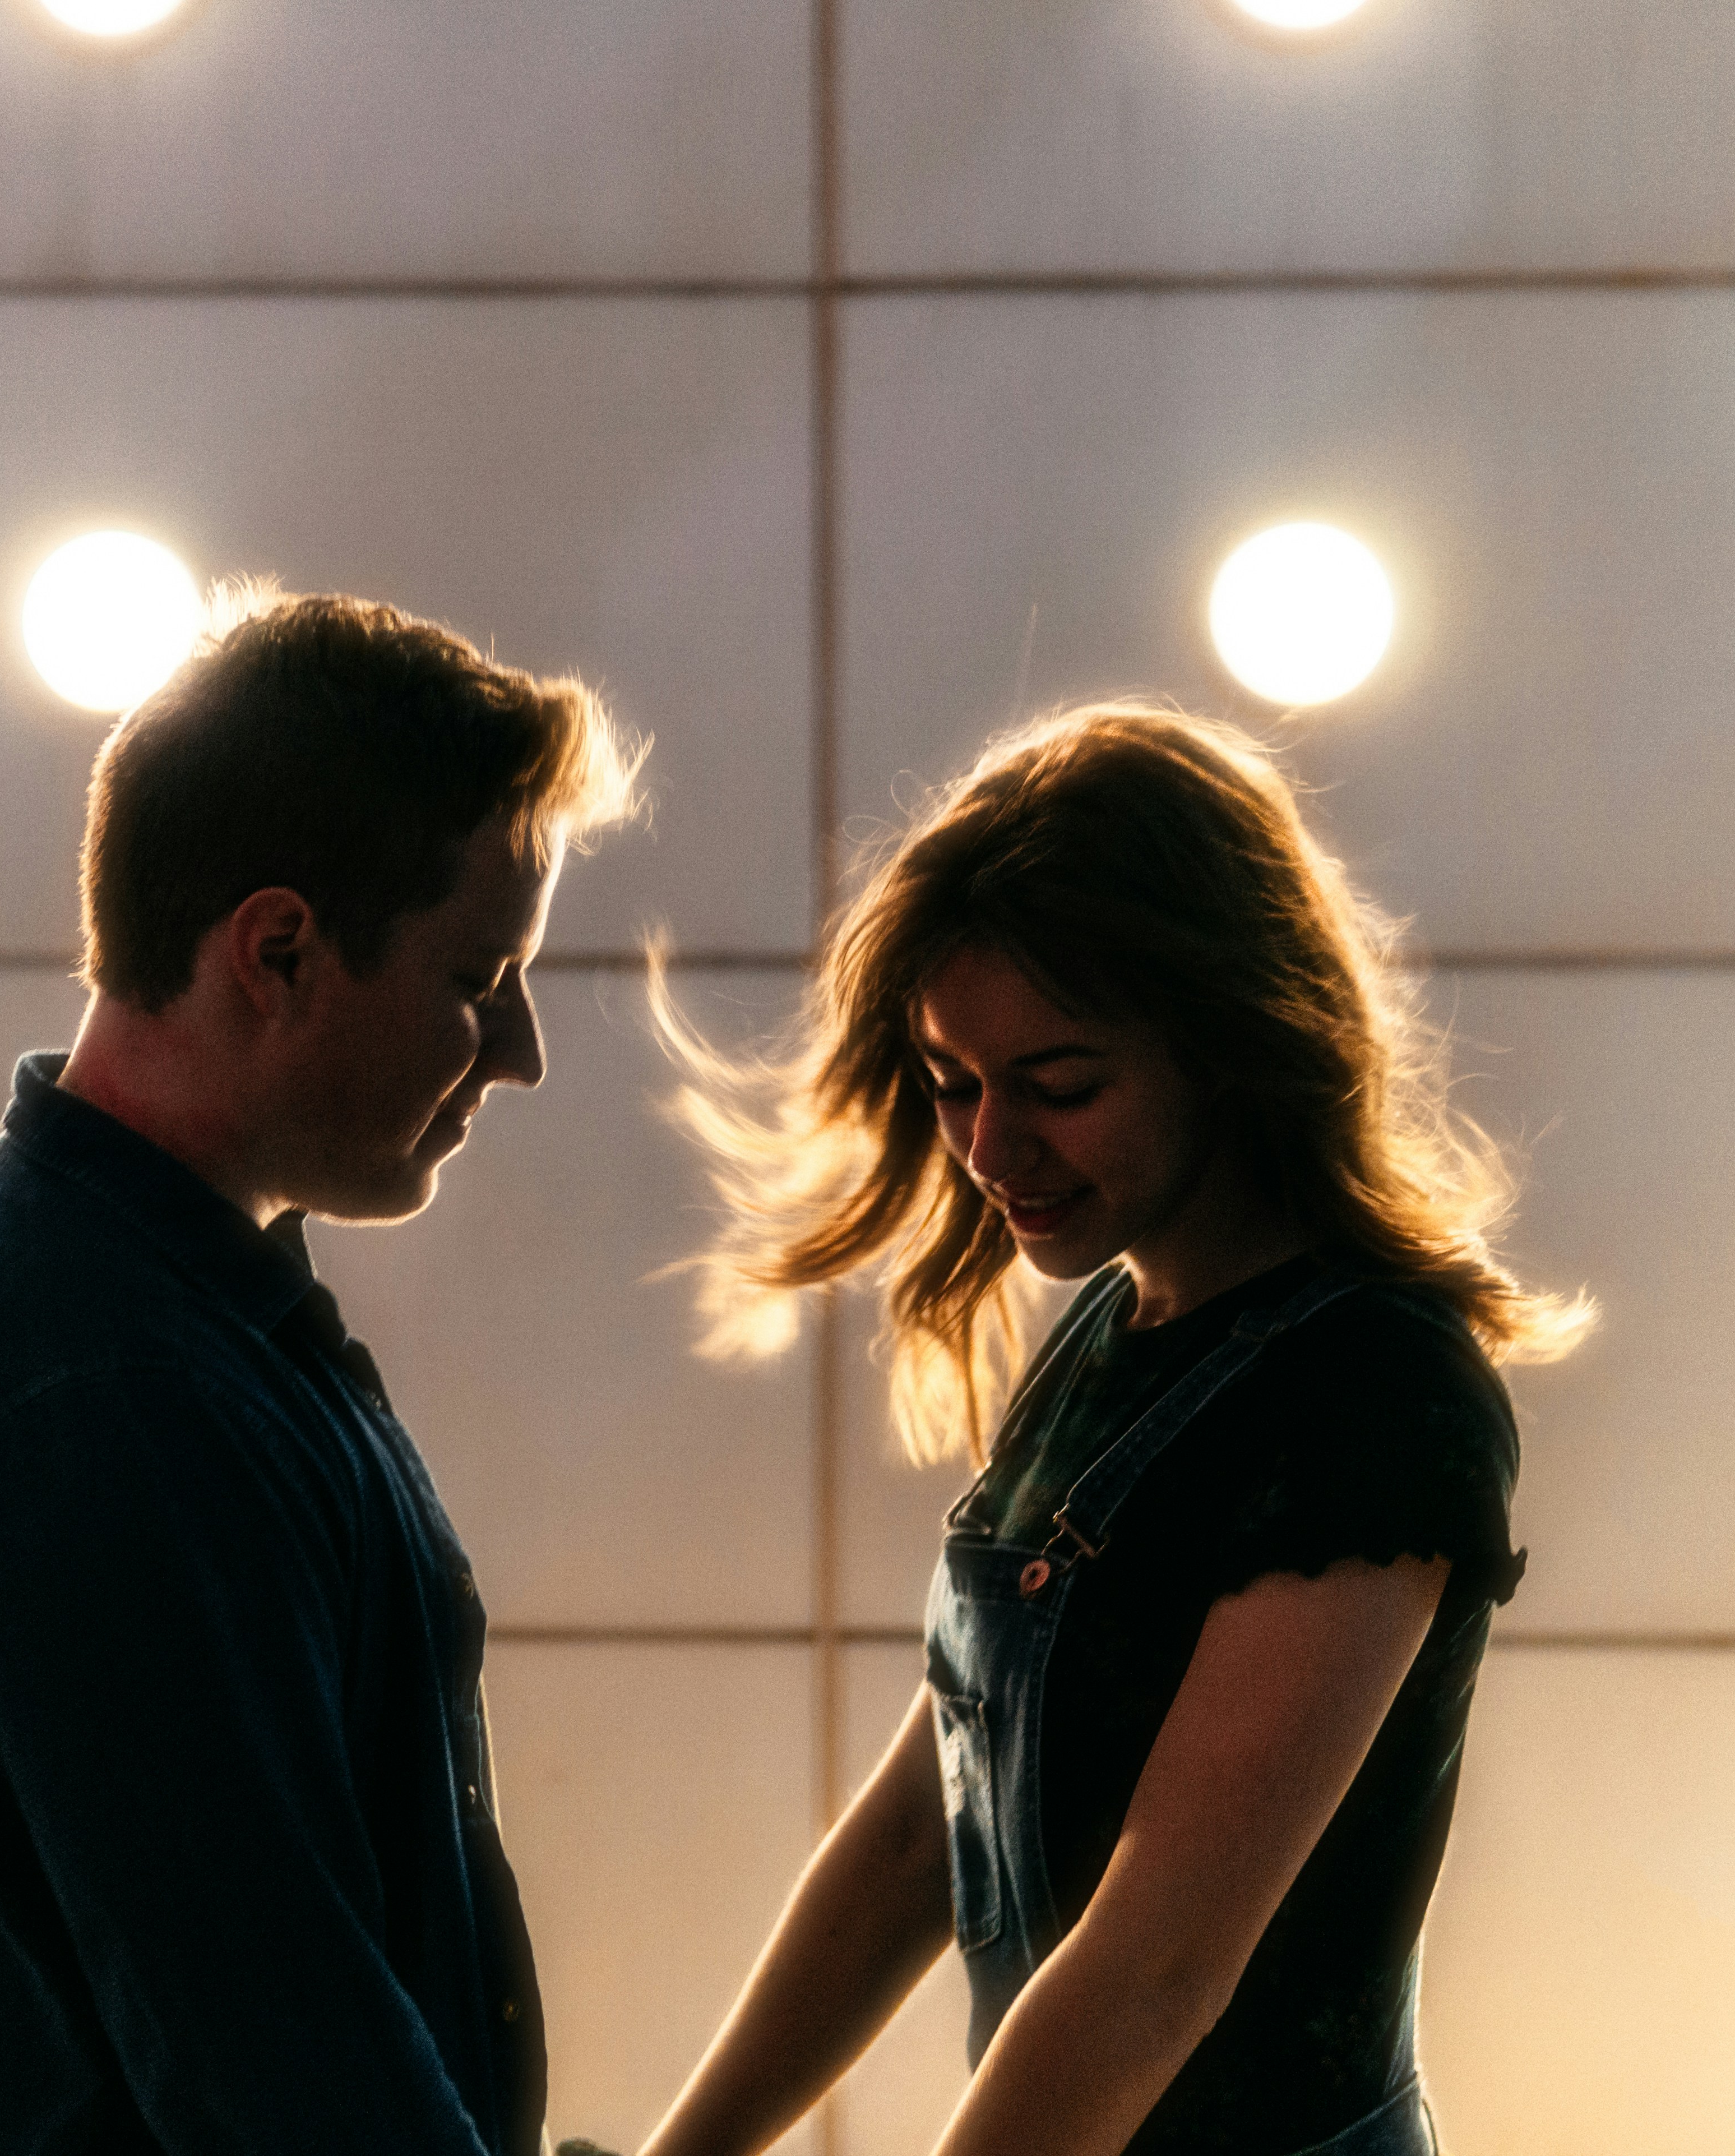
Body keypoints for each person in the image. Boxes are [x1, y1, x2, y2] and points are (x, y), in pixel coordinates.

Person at [637, 703, 1589, 2156]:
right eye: (954, 1085)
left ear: (1229, 1039)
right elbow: (909, 1847)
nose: (990, 1151)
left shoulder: (1376, 1399)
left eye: (1060, 1086)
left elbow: (1153, 1980)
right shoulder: (1107, 1332)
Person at [0, 592, 643, 2155]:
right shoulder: (102, 1392)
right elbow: (275, 2058)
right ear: (280, 951)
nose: (515, 1053)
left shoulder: (143, 1324)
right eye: (478, 977)